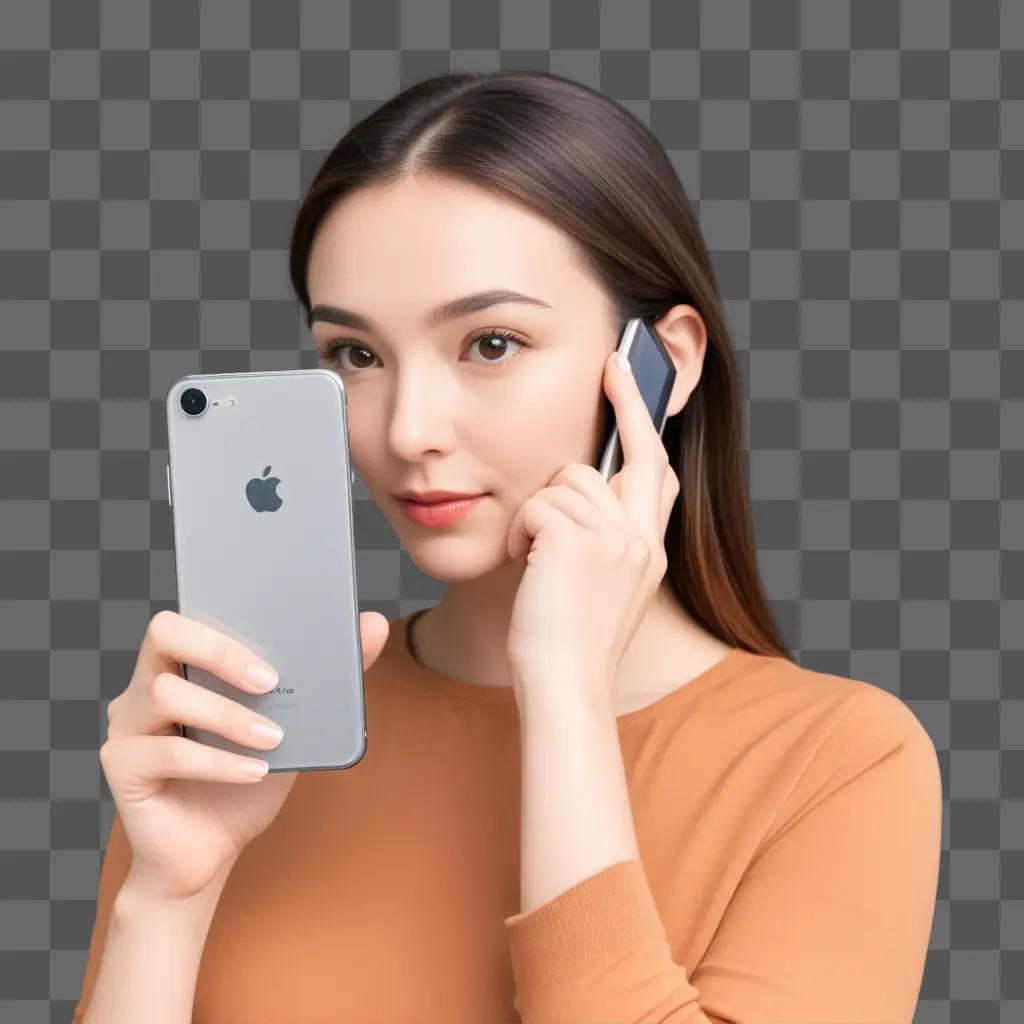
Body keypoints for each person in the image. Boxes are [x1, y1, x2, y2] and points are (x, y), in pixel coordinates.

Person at [73, 70, 941, 1024]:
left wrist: (563, 686)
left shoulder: (838, 760)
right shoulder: (242, 743)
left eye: (490, 343)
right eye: (356, 355)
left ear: (664, 366)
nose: (407, 431)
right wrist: (165, 897)